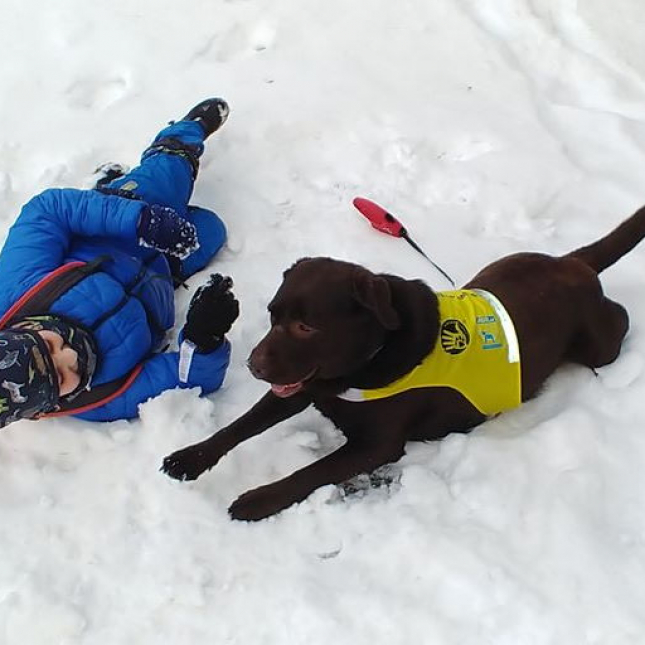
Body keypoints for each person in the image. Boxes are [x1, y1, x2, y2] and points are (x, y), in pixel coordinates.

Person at [0, 98, 240, 428]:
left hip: (126, 224)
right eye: (62, 374)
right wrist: (203, 339)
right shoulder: (99, 398)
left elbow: (46, 211)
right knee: (212, 229)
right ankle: (112, 184)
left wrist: (141, 221)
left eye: (50, 344)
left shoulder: (17, 291)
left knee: (170, 174)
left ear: (22, 329)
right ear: (45, 409)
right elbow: (184, 377)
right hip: (163, 272)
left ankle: (181, 136)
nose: (69, 353)